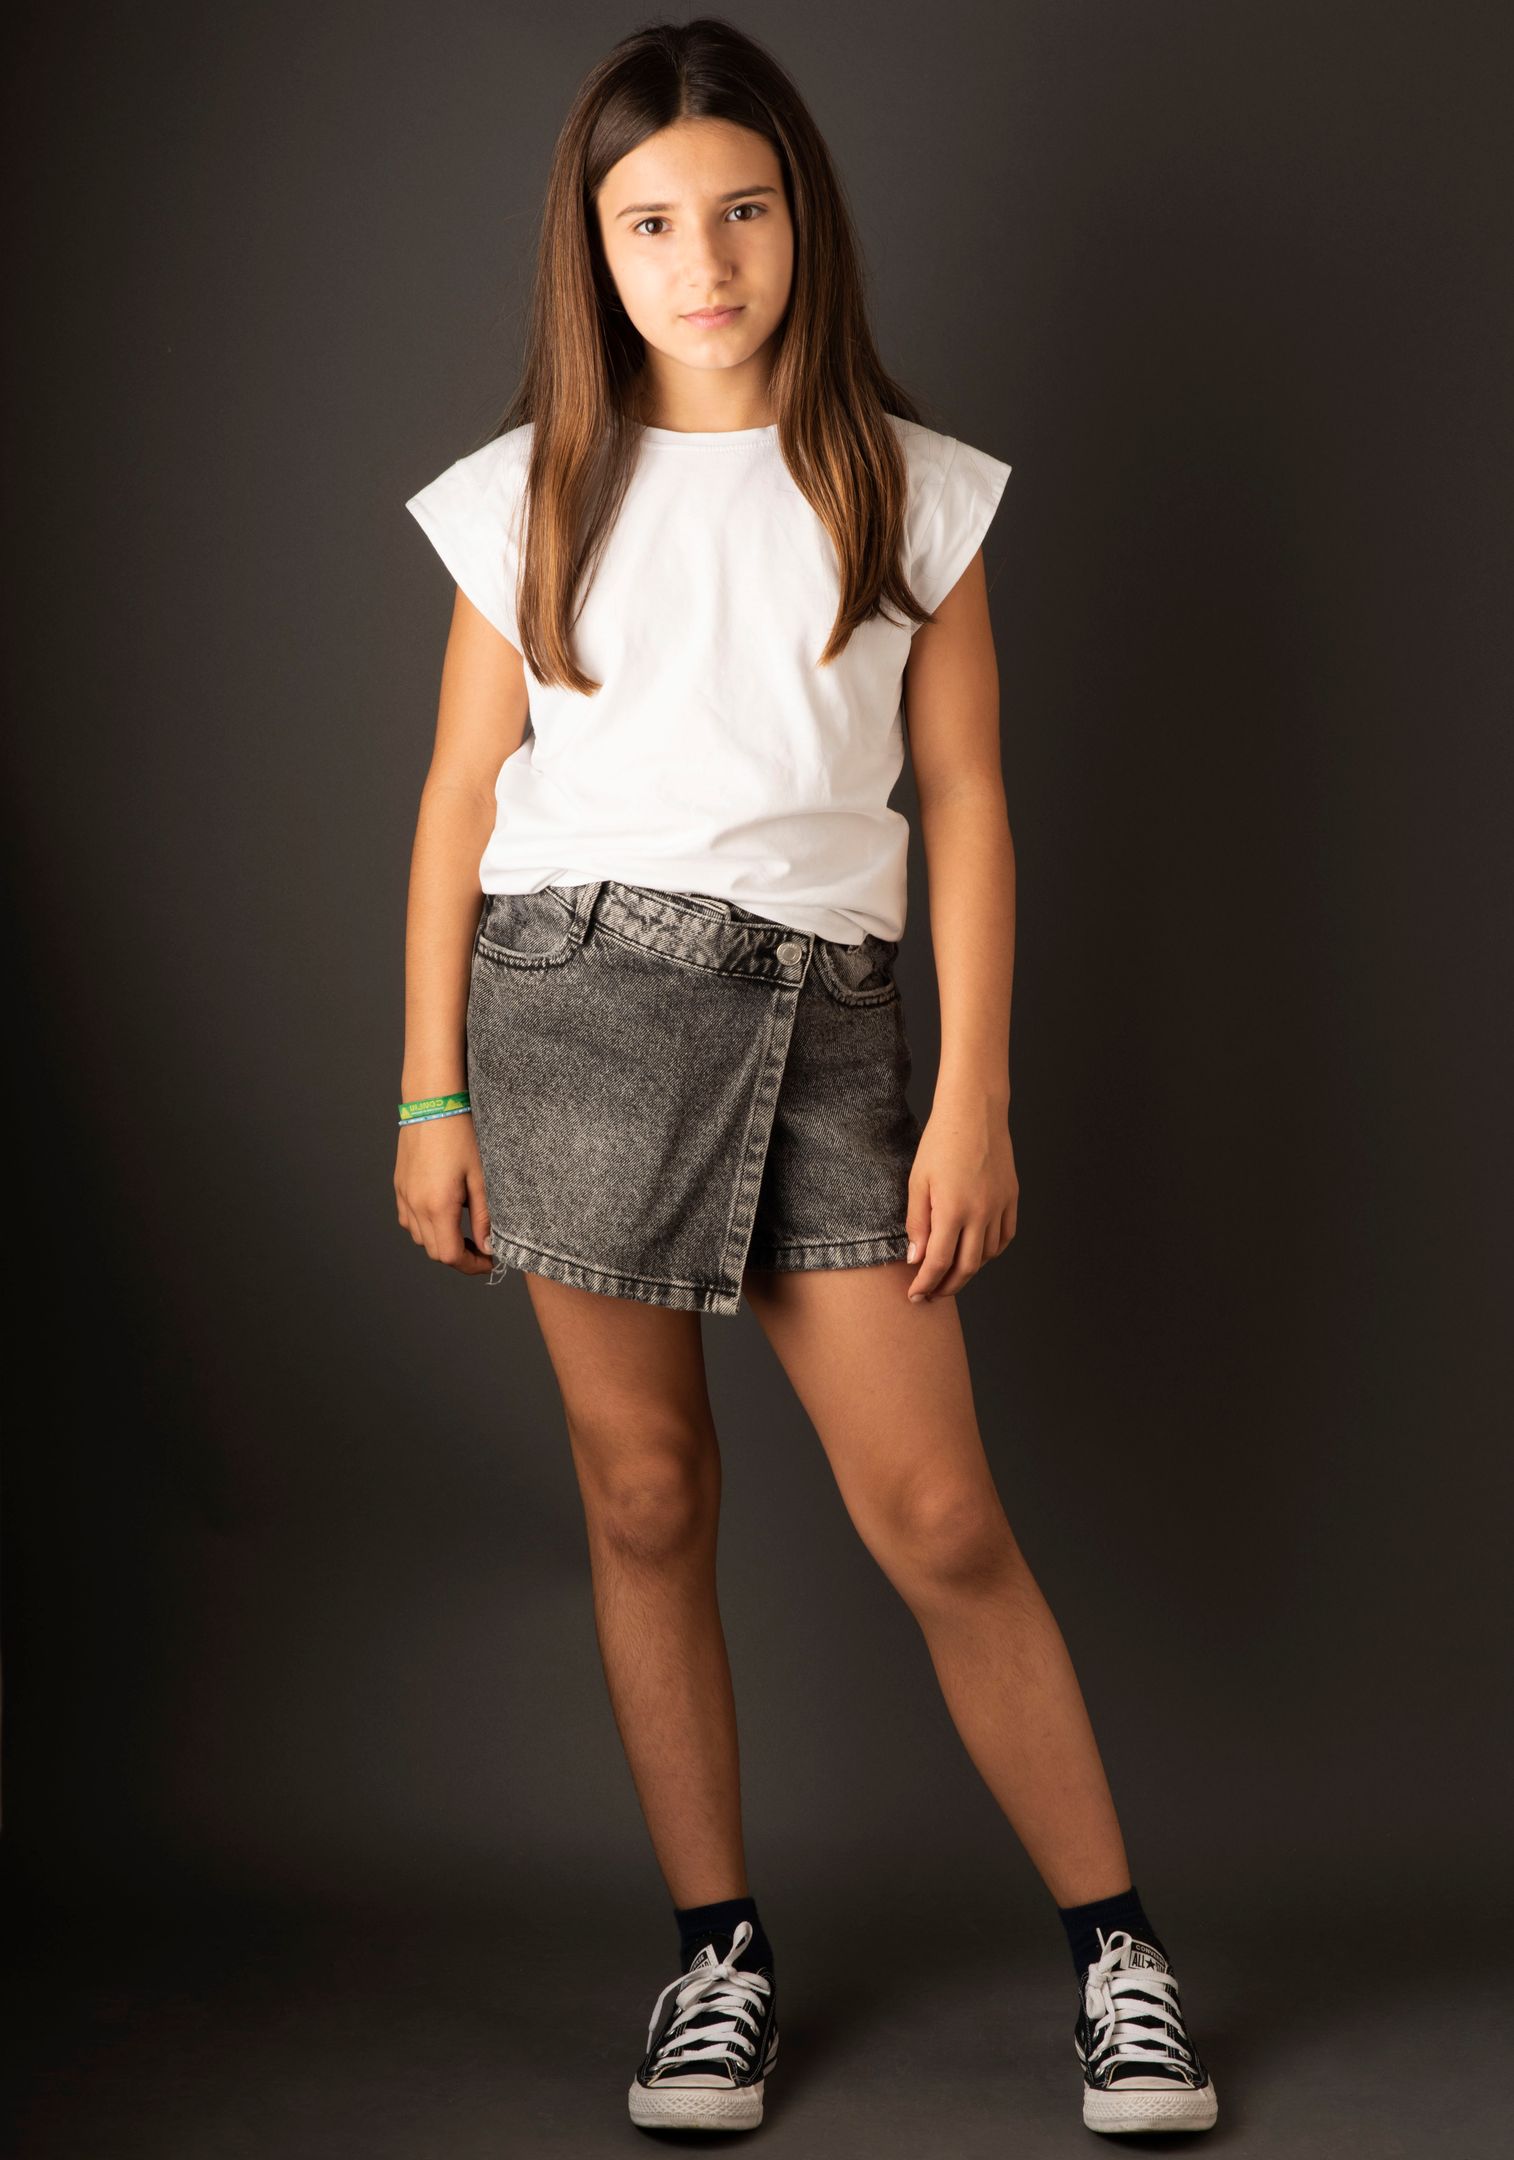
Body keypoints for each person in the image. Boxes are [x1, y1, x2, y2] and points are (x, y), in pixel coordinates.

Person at [394, 15, 1218, 2143]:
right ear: (593, 250)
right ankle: (717, 1960)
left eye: (742, 210)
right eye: (651, 222)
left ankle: (1117, 1954)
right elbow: (458, 804)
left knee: (936, 1512)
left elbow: (969, 803)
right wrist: (428, 1096)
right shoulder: (526, 491)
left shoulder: (910, 486)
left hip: (831, 1026)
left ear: (802, 222)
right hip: (568, 1008)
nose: (703, 260)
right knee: (644, 1495)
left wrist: (973, 1097)